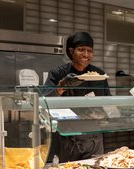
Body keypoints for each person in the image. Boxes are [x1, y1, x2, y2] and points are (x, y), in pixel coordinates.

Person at [44, 31, 111, 163]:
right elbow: (45, 101)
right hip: (67, 138)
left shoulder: (99, 74)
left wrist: (106, 114)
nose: (86, 55)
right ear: (71, 51)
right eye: (81, 50)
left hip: (94, 138)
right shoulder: (58, 73)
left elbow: (107, 100)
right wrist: (61, 87)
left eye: (89, 51)